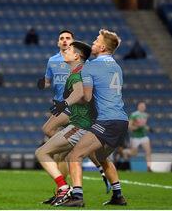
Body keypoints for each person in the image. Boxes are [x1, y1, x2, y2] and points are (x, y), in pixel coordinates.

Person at [52, 29, 128, 207]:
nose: (93, 42)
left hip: (106, 120)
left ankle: (77, 196)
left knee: (75, 155)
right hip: (122, 121)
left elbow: (86, 97)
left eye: (96, 40)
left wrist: (69, 100)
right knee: (101, 156)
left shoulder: (91, 66)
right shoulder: (117, 67)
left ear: (102, 47)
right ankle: (118, 195)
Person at [36, 31, 110, 203]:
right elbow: (86, 96)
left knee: (42, 152)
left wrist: (65, 104)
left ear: (77, 55)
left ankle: (64, 189)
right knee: (61, 154)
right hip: (83, 123)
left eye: (69, 48)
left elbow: (78, 93)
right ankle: (72, 192)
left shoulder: (78, 73)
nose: (66, 49)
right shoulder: (80, 69)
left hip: (80, 125)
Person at [124, 102, 153, 171]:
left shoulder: (145, 115)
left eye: (144, 106)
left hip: (143, 136)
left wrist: (148, 128)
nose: (143, 107)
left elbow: (143, 125)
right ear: (138, 107)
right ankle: (125, 152)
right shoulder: (134, 115)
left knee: (148, 151)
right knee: (134, 153)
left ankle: (149, 167)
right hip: (135, 137)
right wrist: (136, 127)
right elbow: (129, 126)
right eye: (141, 106)